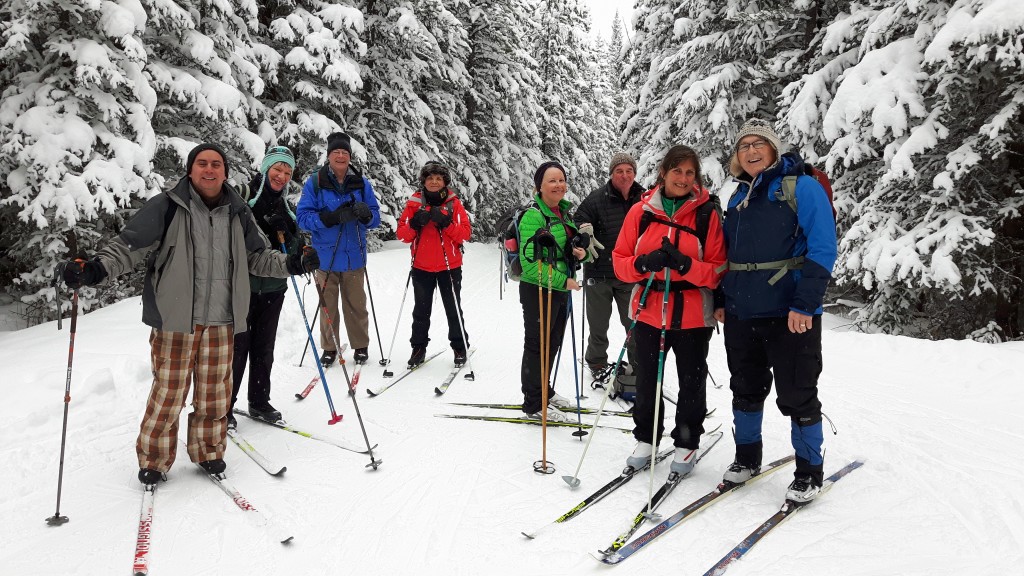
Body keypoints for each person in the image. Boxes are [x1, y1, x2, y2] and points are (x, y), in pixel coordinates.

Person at [60, 142, 319, 485]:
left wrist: (291, 263)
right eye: (202, 164)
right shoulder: (167, 206)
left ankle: (209, 451)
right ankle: (154, 458)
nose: (209, 170)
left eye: (216, 164)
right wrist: (96, 268)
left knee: (214, 395)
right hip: (175, 319)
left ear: (225, 172)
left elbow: (258, 255)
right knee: (169, 393)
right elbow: (128, 246)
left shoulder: (238, 211)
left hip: (222, 319)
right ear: (190, 169)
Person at [713, 118, 837, 503]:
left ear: (773, 148)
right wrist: (721, 299)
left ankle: (809, 471)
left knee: (798, 393)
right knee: (745, 389)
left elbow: (823, 247)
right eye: (744, 145)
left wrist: (806, 303)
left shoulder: (801, 187)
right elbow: (728, 255)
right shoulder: (735, 197)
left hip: (790, 312)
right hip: (741, 312)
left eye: (759, 144)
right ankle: (747, 458)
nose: (751, 151)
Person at [611, 145, 726, 474]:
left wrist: (686, 265)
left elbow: (718, 270)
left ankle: (687, 443)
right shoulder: (642, 211)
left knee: (691, 380)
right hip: (648, 310)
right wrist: (644, 263)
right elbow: (620, 264)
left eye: (690, 172)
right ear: (663, 172)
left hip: (692, 313)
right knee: (647, 379)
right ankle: (646, 438)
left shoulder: (707, 214)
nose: (684, 178)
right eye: (677, 171)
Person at [229, 146, 302, 428]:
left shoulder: (287, 208)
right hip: (241, 287)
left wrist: (289, 235)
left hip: (273, 288)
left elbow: (295, 250)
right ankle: (224, 405)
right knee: (237, 348)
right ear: (266, 168)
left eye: (287, 172)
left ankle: (259, 401)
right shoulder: (243, 196)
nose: (282, 176)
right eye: (277, 169)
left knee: (264, 346)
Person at [296, 132, 381, 367]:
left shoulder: (361, 183)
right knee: (327, 307)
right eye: (336, 152)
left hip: (354, 255)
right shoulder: (316, 182)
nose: (341, 156)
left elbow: (375, 219)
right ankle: (329, 348)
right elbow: (302, 218)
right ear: (329, 156)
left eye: (345, 152)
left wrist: (366, 215)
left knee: (356, 305)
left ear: (350, 157)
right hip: (325, 257)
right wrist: (329, 218)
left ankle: (360, 346)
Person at [518, 161, 589, 422]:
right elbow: (529, 264)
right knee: (538, 345)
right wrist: (563, 281)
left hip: (559, 289)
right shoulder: (533, 216)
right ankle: (534, 403)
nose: (559, 185)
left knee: (552, 343)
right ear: (540, 186)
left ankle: (544, 391)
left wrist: (576, 253)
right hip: (538, 289)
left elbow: (559, 252)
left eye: (561, 179)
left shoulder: (563, 213)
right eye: (552, 180)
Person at [395, 161, 472, 368]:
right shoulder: (414, 203)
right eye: (430, 178)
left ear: (445, 181)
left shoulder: (454, 204)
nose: (434, 182)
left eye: (438, 178)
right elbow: (402, 235)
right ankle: (418, 348)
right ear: (424, 181)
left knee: (453, 308)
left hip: (450, 266)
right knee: (421, 311)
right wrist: (414, 224)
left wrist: (446, 223)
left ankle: (459, 346)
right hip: (422, 266)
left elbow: (465, 233)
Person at [575, 152, 645, 380]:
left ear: (634, 173)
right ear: (611, 173)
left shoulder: (644, 198)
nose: (625, 175)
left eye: (629, 171)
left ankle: (639, 363)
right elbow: (578, 218)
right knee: (598, 326)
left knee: (634, 324)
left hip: (629, 273)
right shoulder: (596, 198)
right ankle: (596, 363)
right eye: (619, 171)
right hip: (599, 273)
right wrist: (584, 229)